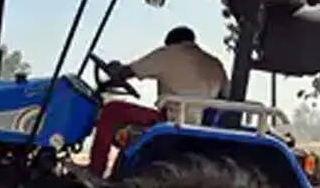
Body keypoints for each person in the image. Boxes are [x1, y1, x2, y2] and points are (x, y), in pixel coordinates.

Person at [87, 26, 228, 177]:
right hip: (201, 127)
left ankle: (95, 170)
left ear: (171, 42)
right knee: (129, 128)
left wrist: (116, 70)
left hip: (173, 122)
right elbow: (226, 95)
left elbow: (129, 71)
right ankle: (117, 175)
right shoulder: (215, 63)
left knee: (112, 110)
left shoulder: (170, 53)